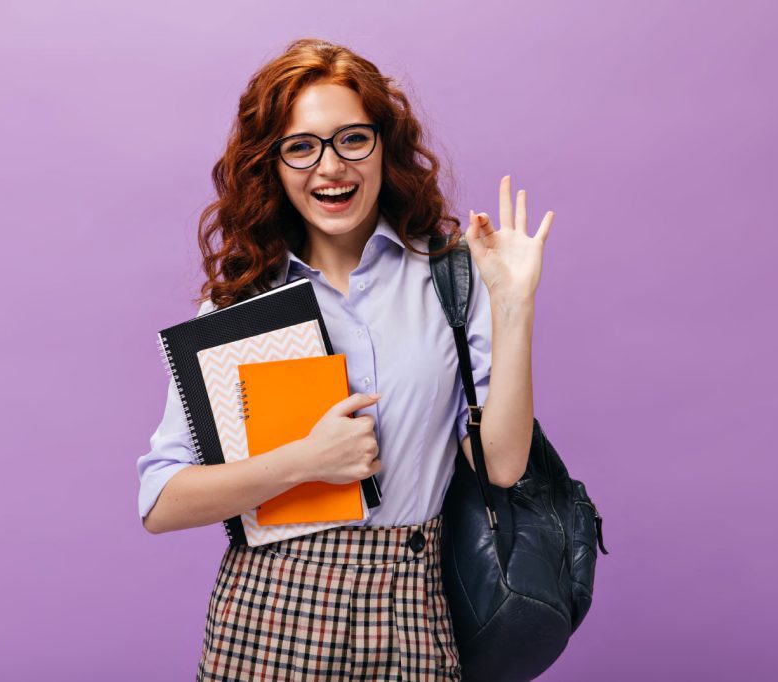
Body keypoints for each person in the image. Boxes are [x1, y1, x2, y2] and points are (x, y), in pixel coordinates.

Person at [136, 37, 554, 681]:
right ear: (271, 166)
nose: (330, 166)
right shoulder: (240, 307)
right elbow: (161, 500)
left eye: (352, 138)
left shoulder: (450, 282)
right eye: (301, 147)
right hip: (269, 614)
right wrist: (306, 461)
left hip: (411, 609)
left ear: (385, 145)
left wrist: (514, 306)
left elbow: (500, 465)